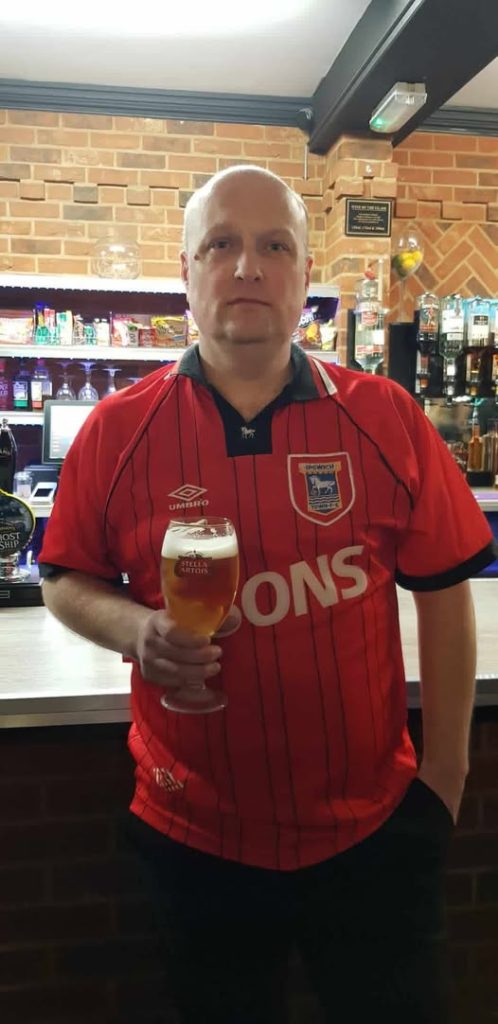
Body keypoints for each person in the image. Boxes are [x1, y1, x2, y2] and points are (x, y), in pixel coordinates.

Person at [40, 165, 496, 1024]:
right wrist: (135, 629)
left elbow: (445, 596)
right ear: (186, 273)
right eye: (222, 244)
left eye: (274, 246)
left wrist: (445, 777)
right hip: (191, 837)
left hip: (373, 835)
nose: (247, 266)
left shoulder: (386, 416)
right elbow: (64, 578)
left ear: (305, 278)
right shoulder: (116, 431)